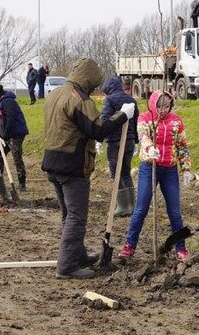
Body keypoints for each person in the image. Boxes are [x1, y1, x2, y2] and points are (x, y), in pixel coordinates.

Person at [42, 58, 134, 279]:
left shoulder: (55, 94)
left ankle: (78, 255)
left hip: (52, 162)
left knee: (68, 214)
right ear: (88, 79)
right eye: (93, 84)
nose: (94, 88)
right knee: (76, 217)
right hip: (72, 165)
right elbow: (97, 129)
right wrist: (123, 115)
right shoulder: (79, 100)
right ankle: (66, 267)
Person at [118, 91, 193, 262]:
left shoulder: (176, 121)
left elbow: (182, 145)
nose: (163, 111)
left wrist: (186, 168)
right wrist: (150, 148)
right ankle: (129, 246)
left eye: (166, 106)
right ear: (153, 105)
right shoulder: (145, 118)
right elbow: (143, 135)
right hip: (149, 167)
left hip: (169, 169)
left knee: (174, 211)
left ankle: (181, 248)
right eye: (160, 107)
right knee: (141, 209)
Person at [101, 76, 138, 217]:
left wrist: (101, 138)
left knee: (115, 173)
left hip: (115, 141)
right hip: (128, 141)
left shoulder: (109, 100)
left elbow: (105, 120)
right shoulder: (132, 99)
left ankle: (122, 206)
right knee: (126, 172)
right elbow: (136, 121)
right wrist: (135, 141)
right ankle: (132, 206)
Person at [0, 84, 29, 191]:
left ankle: (22, 183)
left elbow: (11, 119)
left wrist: (5, 135)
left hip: (16, 134)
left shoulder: (8, 101)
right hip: (5, 134)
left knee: (16, 157)